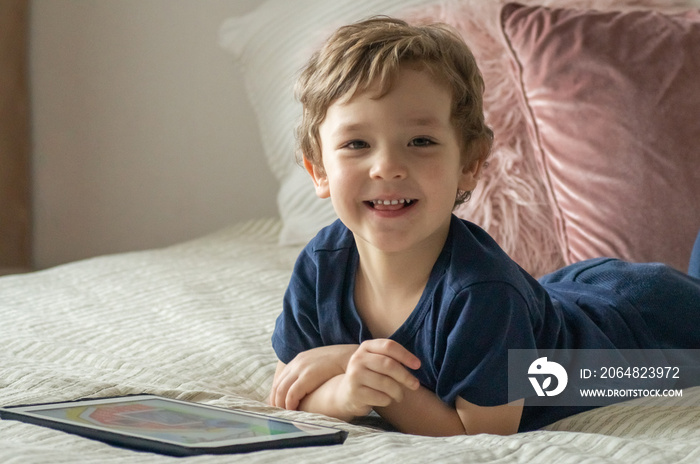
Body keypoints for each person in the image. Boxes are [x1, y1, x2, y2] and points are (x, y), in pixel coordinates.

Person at [268, 16, 700, 435]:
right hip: (554, 303)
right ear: (318, 170)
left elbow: (480, 434)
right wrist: (346, 391)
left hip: (647, 331)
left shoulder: (482, 293)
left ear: (470, 163)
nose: (387, 167)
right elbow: (290, 389)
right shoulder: (322, 265)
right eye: (356, 144)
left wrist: (375, 380)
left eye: (421, 141)